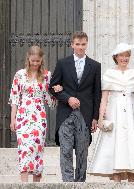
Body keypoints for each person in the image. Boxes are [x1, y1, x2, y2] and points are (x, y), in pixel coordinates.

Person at [87, 43, 134, 182]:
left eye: (127, 56)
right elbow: (104, 98)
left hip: (132, 112)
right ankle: (116, 184)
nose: (124, 58)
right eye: (122, 55)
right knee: (114, 146)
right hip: (114, 112)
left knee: (132, 144)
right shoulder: (109, 74)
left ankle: (131, 183)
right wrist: (100, 118)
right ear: (116, 57)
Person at [49, 31, 101, 182]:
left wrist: (95, 117)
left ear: (87, 44)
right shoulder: (62, 63)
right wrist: (68, 98)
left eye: (83, 44)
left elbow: (96, 93)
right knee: (65, 150)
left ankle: (79, 184)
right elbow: (53, 87)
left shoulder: (95, 66)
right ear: (72, 44)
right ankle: (67, 183)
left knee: (82, 152)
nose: (80, 47)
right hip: (65, 114)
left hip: (85, 115)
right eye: (77, 44)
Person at [9, 45, 62, 182]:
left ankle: (36, 184)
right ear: (28, 59)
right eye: (33, 61)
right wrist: (12, 119)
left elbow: (50, 100)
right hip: (22, 116)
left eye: (37, 61)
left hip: (39, 116)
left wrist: (58, 91)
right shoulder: (19, 74)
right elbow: (15, 97)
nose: (35, 63)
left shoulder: (46, 75)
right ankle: (24, 184)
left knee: (37, 149)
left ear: (41, 59)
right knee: (24, 149)